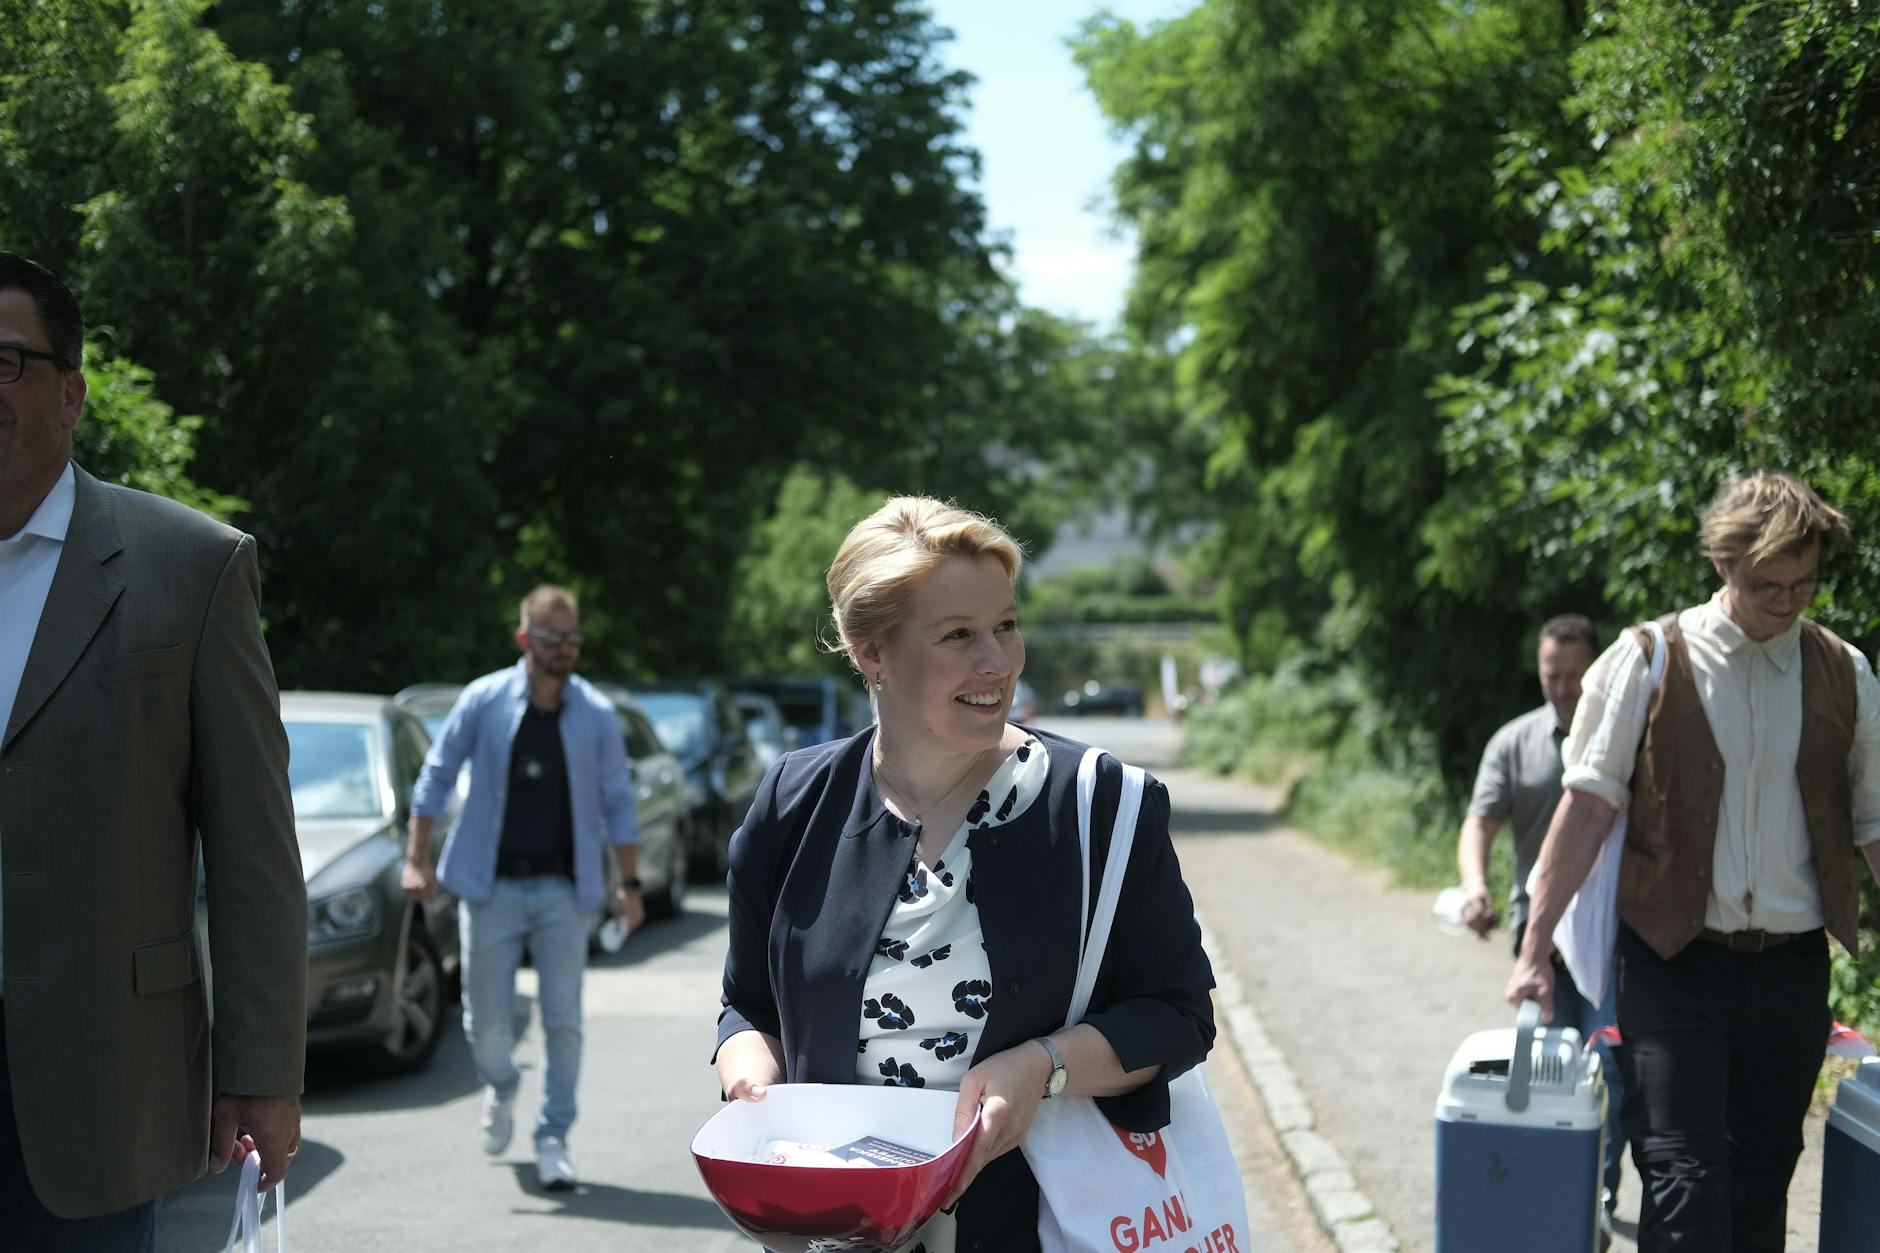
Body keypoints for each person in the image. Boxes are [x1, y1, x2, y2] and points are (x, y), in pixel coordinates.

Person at [715, 496, 1217, 1253]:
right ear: (871, 652)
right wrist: (749, 1077)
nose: (999, 662)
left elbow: (1178, 1013)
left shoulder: (1100, 804)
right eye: (959, 635)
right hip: (834, 1233)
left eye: (1006, 625)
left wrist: (1043, 1067)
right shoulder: (794, 800)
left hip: (1040, 1230)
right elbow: (747, 1004)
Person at [0, 251, 307, 1249]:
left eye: (6, 361)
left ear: (73, 392)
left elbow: (253, 848)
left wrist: (260, 1070)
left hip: (99, 1083)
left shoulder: (190, 566)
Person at [1509, 471, 1880, 1253]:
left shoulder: (1844, 671)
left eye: (1804, 584)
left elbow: (1875, 824)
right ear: (1722, 563)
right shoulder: (1647, 659)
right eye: (1767, 585)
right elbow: (1586, 808)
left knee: (1761, 1183)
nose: (1787, 603)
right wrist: (1535, 948)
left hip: (1790, 970)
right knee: (1684, 1180)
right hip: (1672, 963)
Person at [403, 585, 643, 1190]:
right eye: (551, 639)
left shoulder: (595, 714)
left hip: (564, 890)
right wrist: (416, 859)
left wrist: (630, 885)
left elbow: (618, 803)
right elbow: (436, 775)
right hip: (490, 889)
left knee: (563, 1021)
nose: (564, 649)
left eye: (572, 638)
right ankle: (502, 1083)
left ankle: (553, 1136)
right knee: (484, 1023)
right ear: (523, 639)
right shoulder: (483, 700)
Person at [1455, 614, 1626, 1228]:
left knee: (1610, 1069)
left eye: (1574, 676)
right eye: (1551, 675)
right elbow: (1480, 822)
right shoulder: (1515, 742)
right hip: (1543, 943)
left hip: (1612, 941)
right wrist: (1475, 885)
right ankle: (1564, 1194)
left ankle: (1598, 1196)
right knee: (1553, 1072)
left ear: (1596, 670)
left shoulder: (1627, 737)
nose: (1562, 688)